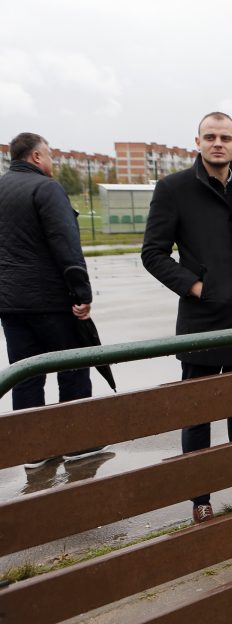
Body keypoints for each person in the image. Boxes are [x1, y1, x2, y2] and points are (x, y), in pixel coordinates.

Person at [141, 112, 232, 524]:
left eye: (226, 137)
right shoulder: (174, 189)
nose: (218, 143)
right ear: (196, 142)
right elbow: (153, 253)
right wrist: (197, 288)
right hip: (201, 322)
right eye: (210, 137)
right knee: (198, 412)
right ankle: (199, 498)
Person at [0, 132, 108, 468]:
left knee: (25, 373)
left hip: (10, 303)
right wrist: (82, 293)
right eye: (49, 155)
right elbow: (65, 243)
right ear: (35, 157)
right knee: (71, 367)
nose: (52, 162)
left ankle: (33, 451)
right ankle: (76, 444)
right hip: (50, 301)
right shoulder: (46, 188)